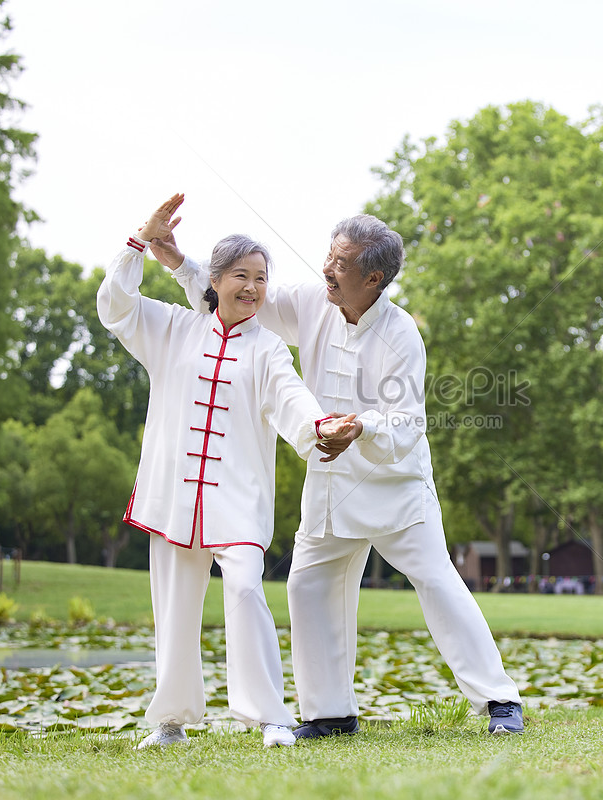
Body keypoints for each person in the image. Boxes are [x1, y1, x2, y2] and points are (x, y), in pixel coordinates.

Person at [150, 197, 525, 737]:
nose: (327, 268)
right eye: (329, 255)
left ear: (373, 277)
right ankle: (330, 715)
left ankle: (499, 702)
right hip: (329, 486)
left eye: (340, 263)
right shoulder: (309, 301)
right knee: (306, 586)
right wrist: (179, 263)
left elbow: (407, 422)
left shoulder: (401, 335)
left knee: (438, 582)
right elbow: (237, 301)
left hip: (396, 489)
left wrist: (362, 427)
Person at [97, 194, 359, 749]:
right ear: (214, 281)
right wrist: (138, 242)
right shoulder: (171, 328)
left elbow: (291, 398)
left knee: (244, 590)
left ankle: (270, 717)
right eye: (241, 275)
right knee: (173, 607)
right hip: (175, 497)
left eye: (261, 278)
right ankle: (169, 723)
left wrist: (319, 428)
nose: (253, 288)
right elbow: (116, 305)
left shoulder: (267, 349)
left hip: (237, 499)